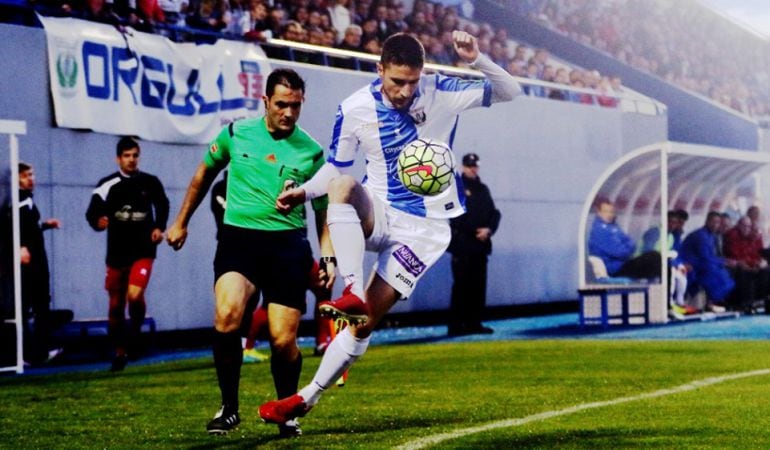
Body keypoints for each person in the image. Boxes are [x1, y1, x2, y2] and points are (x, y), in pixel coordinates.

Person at [258, 31, 521, 427]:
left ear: (422, 74)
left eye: (412, 81)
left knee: (366, 323)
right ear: (379, 69)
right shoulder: (355, 108)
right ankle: (350, 289)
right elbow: (336, 166)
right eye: (397, 81)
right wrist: (303, 192)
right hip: (380, 209)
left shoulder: (442, 91)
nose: (405, 91)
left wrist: (476, 58)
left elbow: (510, 90)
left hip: (425, 230)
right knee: (340, 187)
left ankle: (305, 398)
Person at [166, 68, 335, 437]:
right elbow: (203, 176)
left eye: (295, 106)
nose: (288, 113)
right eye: (281, 105)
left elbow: (324, 212)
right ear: (265, 102)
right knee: (226, 316)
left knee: (282, 339)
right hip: (239, 242)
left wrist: (328, 255)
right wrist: (180, 222)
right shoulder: (235, 133)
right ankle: (228, 408)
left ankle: (285, 409)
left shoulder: (312, 152)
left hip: (287, 247)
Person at [85, 137, 169, 372]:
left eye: (135, 155)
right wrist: (98, 221)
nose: (131, 160)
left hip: (143, 250)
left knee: (134, 296)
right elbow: (92, 211)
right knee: (115, 306)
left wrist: (158, 227)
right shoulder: (107, 185)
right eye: (127, 156)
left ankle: (134, 337)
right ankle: (120, 351)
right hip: (116, 254)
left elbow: (162, 204)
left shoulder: (150, 182)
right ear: (118, 158)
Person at [18, 162, 71, 365]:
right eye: (25, 176)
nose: (30, 178)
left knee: (41, 305)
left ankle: (39, 351)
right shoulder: (20, 202)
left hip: (38, 260)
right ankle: (32, 354)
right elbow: (12, 226)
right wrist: (21, 247)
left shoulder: (29, 202)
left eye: (31, 174)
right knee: (32, 306)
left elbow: (29, 228)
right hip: (31, 264)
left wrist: (45, 225)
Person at [447, 153, 500, 336]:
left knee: (478, 287)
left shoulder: (483, 189)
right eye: (469, 166)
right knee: (461, 286)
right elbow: (456, 216)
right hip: (463, 246)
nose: (472, 169)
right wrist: (475, 231)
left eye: (475, 166)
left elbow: (494, 213)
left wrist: (489, 230)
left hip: (480, 248)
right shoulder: (457, 188)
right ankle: (456, 325)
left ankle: (474, 323)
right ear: (464, 166)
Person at [638, 209, 695, 316]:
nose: (672, 225)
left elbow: (673, 254)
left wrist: (678, 264)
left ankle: (679, 303)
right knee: (669, 271)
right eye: (670, 222)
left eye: (674, 223)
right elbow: (647, 252)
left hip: (660, 263)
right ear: (664, 221)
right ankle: (668, 304)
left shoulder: (670, 236)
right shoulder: (654, 233)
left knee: (680, 272)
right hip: (643, 264)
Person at [588, 199, 661, 280]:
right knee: (654, 257)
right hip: (615, 269)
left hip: (623, 264)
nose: (609, 214)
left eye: (611, 211)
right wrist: (628, 248)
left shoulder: (614, 227)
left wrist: (627, 247)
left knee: (661, 263)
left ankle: (663, 289)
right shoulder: (599, 231)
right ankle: (659, 287)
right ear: (599, 212)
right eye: (606, 211)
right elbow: (619, 252)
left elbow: (630, 242)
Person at [680, 211, 735, 313]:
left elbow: (710, 257)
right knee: (715, 272)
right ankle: (710, 303)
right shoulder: (701, 235)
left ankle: (713, 302)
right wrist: (723, 262)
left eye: (718, 222)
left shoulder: (711, 236)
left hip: (701, 263)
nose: (715, 225)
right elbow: (704, 257)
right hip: (692, 264)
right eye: (713, 222)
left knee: (724, 273)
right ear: (707, 221)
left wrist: (723, 262)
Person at [723, 215, 769, 312]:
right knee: (744, 272)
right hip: (735, 263)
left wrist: (757, 263)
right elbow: (735, 255)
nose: (746, 229)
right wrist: (751, 265)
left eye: (748, 226)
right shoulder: (732, 235)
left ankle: (761, 301)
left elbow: (756, 253)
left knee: (765, 271)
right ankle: (745, 303)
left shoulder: (753, 236)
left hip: (749, 264)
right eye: (744, 226)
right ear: (738, 225)